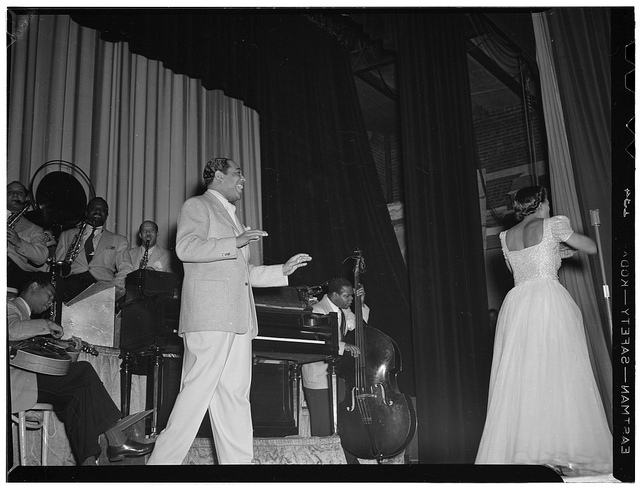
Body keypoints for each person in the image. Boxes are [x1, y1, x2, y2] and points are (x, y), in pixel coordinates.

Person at [146, 156, 312, 465]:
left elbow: (244, 273)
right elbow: (186, 248)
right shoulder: (197, 205)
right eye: (237, 172)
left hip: (238, 320)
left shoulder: (232, 216)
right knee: (197, 394)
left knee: (234, 397)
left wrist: (283, 270)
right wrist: (233, 241)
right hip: (209, 317)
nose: (243, 179)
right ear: (217, 176)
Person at [475, 186, 612, 476]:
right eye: (547, 202)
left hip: (517, 304)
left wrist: (556, 250)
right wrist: (569, 239)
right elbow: (591, 247)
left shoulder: (506, 236)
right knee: (559, 371)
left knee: (524, 376)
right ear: (541, 204)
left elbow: (523, 267)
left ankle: (531, 453)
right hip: (547, 300)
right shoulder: (554, 223)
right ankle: (558, 450)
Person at [8, 279, 154, 465]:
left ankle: (87, 465)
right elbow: (10, 331)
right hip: (14, 384)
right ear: (34, 286)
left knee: (78, 396)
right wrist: (45, 324)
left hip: (28, 382)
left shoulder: (28, 321)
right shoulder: (9, 306)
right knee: (83, 371)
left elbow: (57, 368)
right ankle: (117, 440)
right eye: (49, 295)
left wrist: (71, 350)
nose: (50, 302)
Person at [301, 278, 368, 436]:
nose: (350, 299)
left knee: (338, 423)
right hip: (319, 377)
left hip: (336, 375)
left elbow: (359, 327)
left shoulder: (344, 310)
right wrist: (345, 346)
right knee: (323, 425)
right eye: (347, 296)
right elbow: (319, 341)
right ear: (335, 295)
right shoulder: (317, 310)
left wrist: (360, 303)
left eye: (352, 296)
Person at [53, 197, 129, 316]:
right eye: (94, 208)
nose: (98, 211)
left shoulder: (119, 240)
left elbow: (126, 269)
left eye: (102, 209)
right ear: (86, 213)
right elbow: (57, 267)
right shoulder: (67, 235)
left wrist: (112, 288)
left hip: (102, 286)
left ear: (107, 215)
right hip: (71, 284)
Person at [6, 181, 49, 295]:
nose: (15, 195)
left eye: (19, 192)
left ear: (25, 198)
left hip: (13, 272)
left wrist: (18, 242)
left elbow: (41, 256)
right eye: (10, 192)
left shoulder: (34, 229)